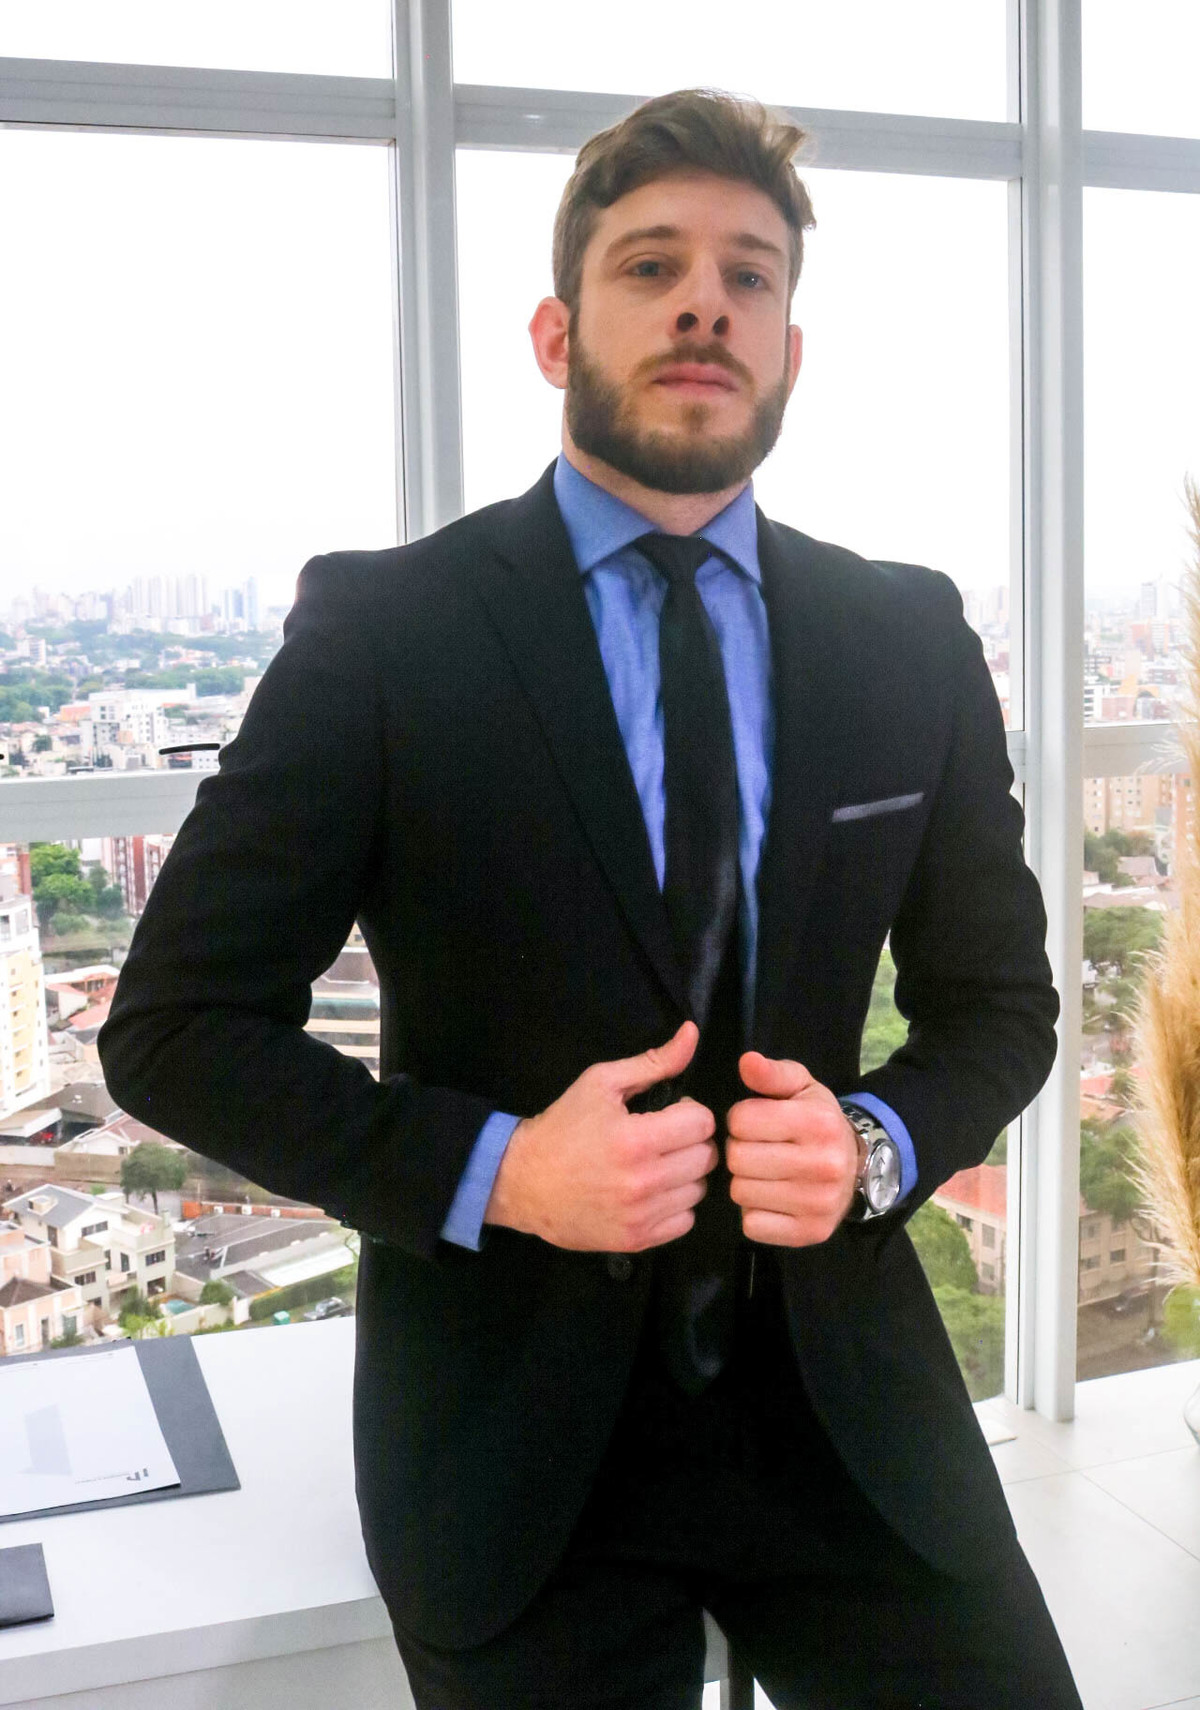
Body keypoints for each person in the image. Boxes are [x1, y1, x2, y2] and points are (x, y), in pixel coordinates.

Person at [99, 89, 1084, 1710]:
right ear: (556, 334)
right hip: (514, 1432)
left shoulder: (908, 635)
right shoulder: (387, 633)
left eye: (749, 275)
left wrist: (877, 1143)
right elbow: (173, 1027)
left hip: (843, 1402)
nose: (707, 302)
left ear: (789, 353)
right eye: (651, 265)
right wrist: (501, 1167)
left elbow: (1002, 1005)